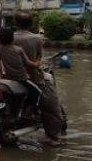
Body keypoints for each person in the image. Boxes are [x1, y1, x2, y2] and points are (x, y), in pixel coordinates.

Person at [14, 13, 64, 146]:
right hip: (32, 77)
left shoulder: (8, 37)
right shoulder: (36, 39)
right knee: (52, 105)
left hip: (10, 76)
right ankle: (53, 137)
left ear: (16, 24)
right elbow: (37, 59)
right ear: (31, 24)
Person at [0, 27, 42, 111]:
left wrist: (1, 74)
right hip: (22, 78)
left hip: (8, 77)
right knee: (37, 92)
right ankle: (29, 109)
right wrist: (37, 64)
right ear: (12, 39)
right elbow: (28, 63)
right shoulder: (19, 49)